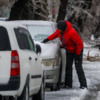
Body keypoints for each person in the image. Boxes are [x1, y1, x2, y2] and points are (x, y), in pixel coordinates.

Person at [42, 20, 87, 89]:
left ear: (63, 28)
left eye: (60, 29)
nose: (58, 30)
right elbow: (54, 35)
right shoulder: (59, 31)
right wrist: (47, 39)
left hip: (77, 50)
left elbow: (80, 44)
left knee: (78, 67)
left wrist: (78, 54)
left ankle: (83, 84)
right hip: (69, 50)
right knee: (68, 67)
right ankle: (68, 84)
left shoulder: (72, 33)